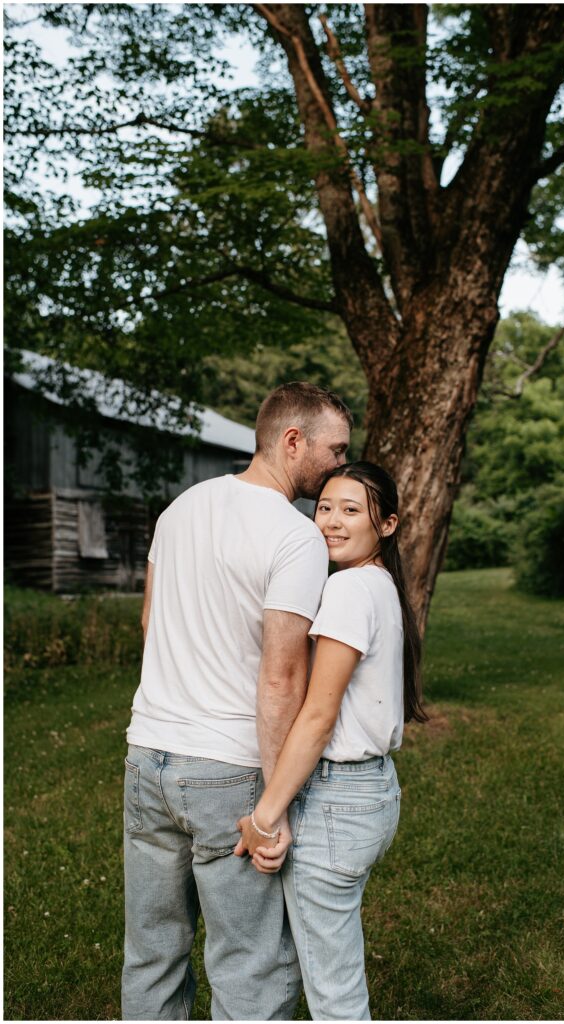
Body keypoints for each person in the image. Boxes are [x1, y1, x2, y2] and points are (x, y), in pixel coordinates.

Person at [121, 382, 352, 1021]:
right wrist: (274, 807)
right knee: (251, 961)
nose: (340, 465)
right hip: (227, 772)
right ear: (292, 440)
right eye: (334, 451)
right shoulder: (297, 537)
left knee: (152, 950)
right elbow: (281, 680)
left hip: (147, 757)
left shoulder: (181, 508)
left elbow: (149, 625)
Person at [236, 461, 428, 1021]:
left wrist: (265, 816)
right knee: (328, 963)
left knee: (334, 991)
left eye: (351, 510)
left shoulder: (347, 589)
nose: (331, 522)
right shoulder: (378, 584)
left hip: (337, 802)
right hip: (368, 794)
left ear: (387, 524)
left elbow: (318, 716)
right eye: (324, 507)